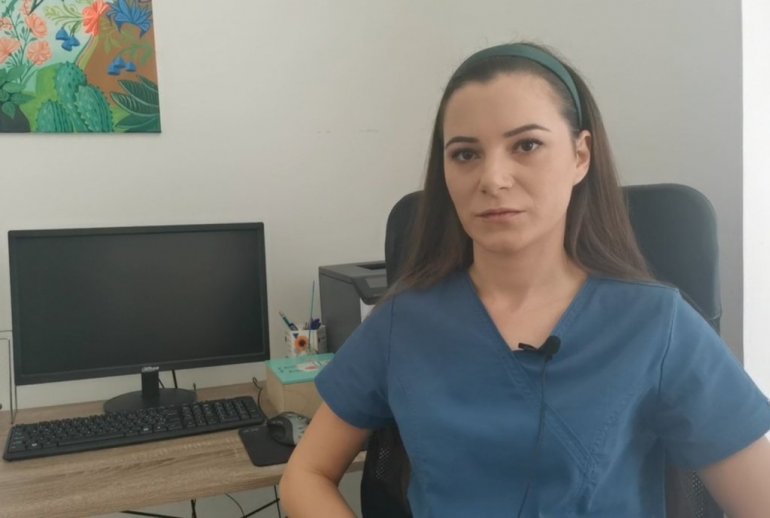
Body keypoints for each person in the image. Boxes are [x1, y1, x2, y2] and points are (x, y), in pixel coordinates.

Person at [280, 42, 770, 517]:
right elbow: (305, 474)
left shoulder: (656, 325)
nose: (493, 179)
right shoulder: (402, 323)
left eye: (527, 145)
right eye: (465, 154)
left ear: (580, 155)